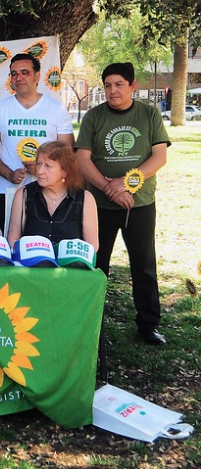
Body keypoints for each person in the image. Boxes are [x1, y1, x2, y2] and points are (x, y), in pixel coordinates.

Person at [75, 62, 170, 346]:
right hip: (99, 206)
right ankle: (91, 323)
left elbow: (159, 157)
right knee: (95, 265)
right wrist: (108, 188)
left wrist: (126, 183)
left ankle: (148, 324)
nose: (112, 91)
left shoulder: (149, 114)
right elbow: (82, 159)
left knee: (143, 265)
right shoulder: (94, 116)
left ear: (132, 86)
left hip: (139, 204)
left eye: (118, 84)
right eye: (107, 85)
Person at [0, 53, 75, 234]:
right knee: (12, 244)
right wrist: (10, 174)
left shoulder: (56, 108)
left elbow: (68, 151)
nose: (19, 78)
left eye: (25, 72)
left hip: (50, 189)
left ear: (37, 76)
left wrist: (43, 168)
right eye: (14, 74)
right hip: (10, 189)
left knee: (46, 243)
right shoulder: (0, 109)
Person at [7, 141, 98, 249]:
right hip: (31, 264)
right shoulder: (24, 194)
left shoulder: (85, 198)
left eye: (48, 166)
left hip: (70, 264)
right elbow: (13, 240)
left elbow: (92, 246)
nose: (40, 171)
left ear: (65, 171)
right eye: (39, 164)